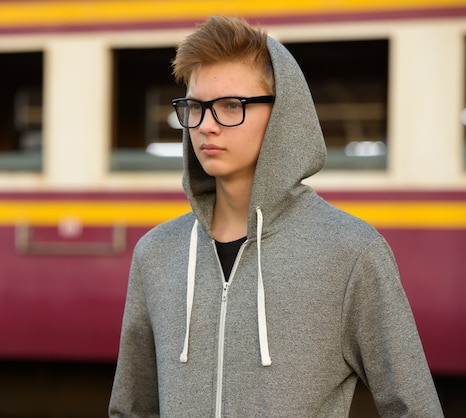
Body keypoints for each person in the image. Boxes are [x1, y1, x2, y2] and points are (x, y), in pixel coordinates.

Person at [109, 16, 443, 417]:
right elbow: (130, 410)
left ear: (283, 114)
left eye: (231, 106)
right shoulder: (157, 254)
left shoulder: (351, 253)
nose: (207, 126)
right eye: (196, 107)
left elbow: (416, 408)